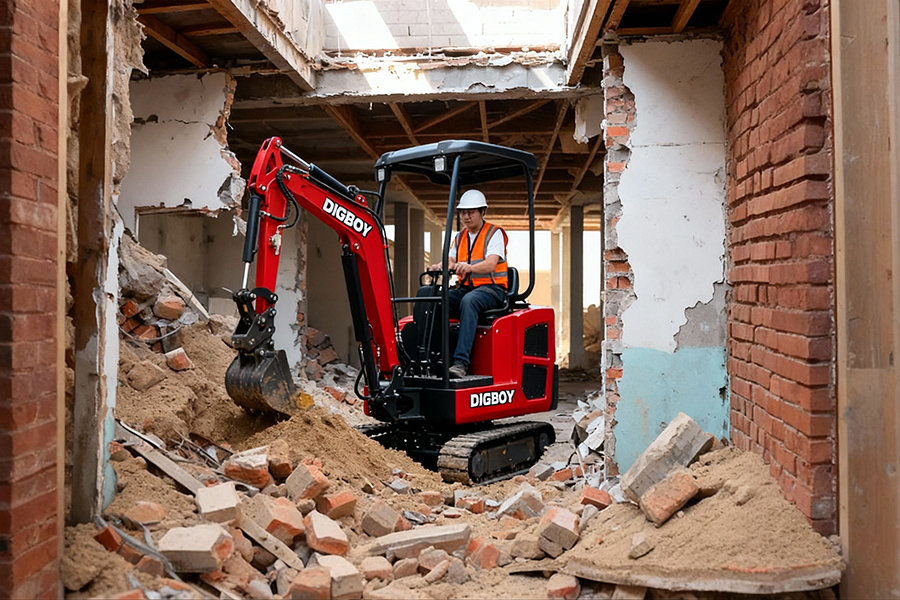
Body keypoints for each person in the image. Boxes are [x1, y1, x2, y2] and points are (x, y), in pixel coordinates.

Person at [428, 189, 509, 378]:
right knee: (437, 300)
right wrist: (438, 266)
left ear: (482, 212)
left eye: (471, 212)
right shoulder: (459, 237)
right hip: (467, 288)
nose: (466, 216)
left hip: (493, 290)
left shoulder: (494, 234)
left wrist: (470, 268)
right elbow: (450, 261)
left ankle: (460, 362)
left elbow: (490, 263)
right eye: (463, 212)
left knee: (469, 301)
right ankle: (435, 358)